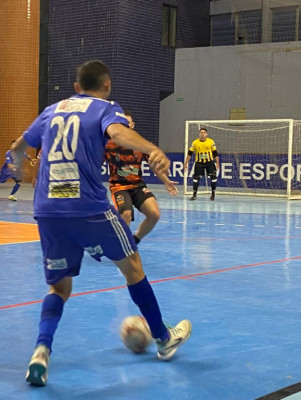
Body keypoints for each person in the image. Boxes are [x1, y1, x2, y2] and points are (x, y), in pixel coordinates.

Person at [11, 60, 191, 387]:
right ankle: (164, 339)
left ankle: (41, 351)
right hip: (87, 206)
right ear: (106, 84)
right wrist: (152, 148)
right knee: (133, 266)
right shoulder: (105, 108)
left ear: (76, 87)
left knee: (59, 288)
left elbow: (18, 147)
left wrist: (17, 163)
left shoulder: (51, 111)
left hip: (48, 209)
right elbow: (118, 133)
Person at [105, 111, 178, 244]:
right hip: (119, 187)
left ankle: (135, 239)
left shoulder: (141, 144)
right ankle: (120, 246)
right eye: (122, 124)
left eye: (128, 123)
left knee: (154, 214)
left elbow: (154, 165)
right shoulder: (109, 145)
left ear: (132, 125)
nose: (126, 126)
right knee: (125, 214)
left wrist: (166, 182)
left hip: (138, 186)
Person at [183, 127, 220, 201]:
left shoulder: (211, 141)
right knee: (196, 179)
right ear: (199, 134)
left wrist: (217, 163)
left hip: (210, 163)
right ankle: (194, 195)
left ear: (206, 134)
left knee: (213, 178)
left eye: (204, 133)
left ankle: (213, 193)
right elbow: (189, 153)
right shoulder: (195, 142)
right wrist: (186, 163)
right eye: (201, 132)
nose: (203, 134)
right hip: (199, 163)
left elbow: (215, 153)